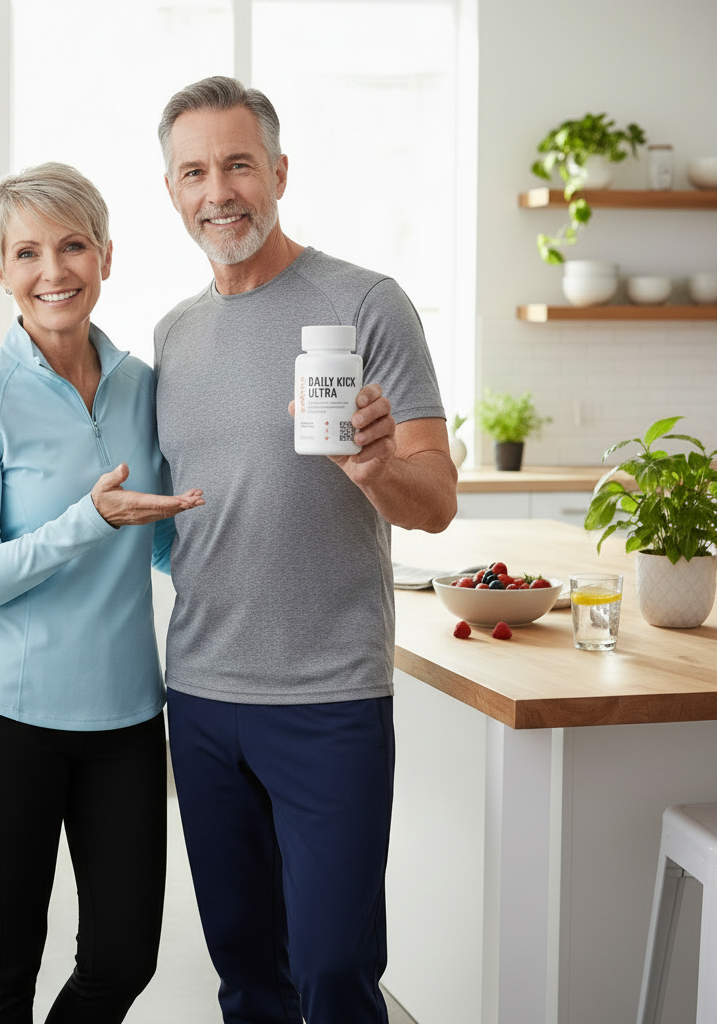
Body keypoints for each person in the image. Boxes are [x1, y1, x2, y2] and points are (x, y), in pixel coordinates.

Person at [153, 77, 458, 1024]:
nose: (219, 191)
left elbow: (437, 500)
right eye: (194, 171)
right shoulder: (172, 335)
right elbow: (188, 514)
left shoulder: (365, 303)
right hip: (200, 694)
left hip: (328, 695)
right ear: (171, 189)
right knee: (247, 973)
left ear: (279, 171)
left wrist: (372, 468)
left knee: (333, 969)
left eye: (239, 164)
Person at [0, 162, 203, 1024]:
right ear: (1, 272)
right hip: (4, 722)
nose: (55, 270)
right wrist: (90, 519)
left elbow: (159, 542)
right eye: (28, 252)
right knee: (5, 976)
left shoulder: (145, 386)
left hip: (125, 720)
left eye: (73, 245)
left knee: (124, 960)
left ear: (107, 256)